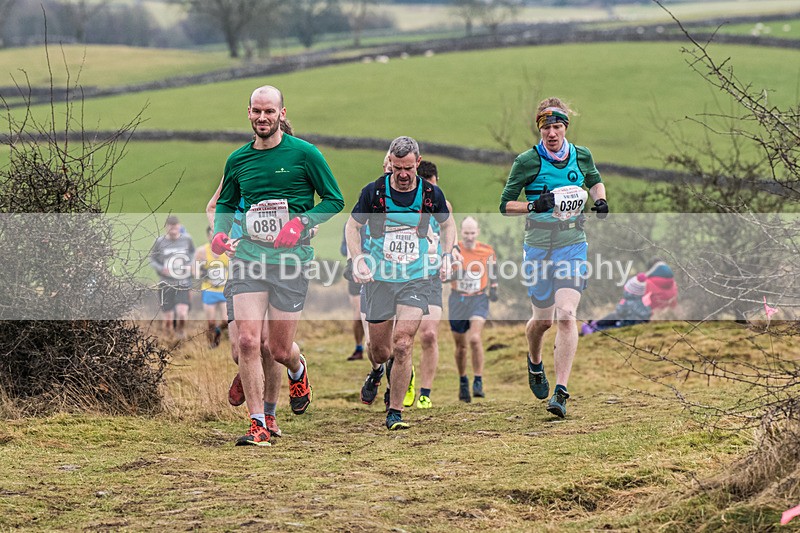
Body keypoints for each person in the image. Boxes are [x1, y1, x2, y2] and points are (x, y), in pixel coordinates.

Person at [212, 85, 344, 446]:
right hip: (249, 258)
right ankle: (258, 424)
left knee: (278, 350)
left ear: (282, 113)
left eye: (269, 111)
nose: (262, 118)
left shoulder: (305, 154)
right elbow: (225, 203)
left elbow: (334, 200)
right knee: (248, 341)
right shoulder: (238, 160)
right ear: (249, 113)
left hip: (290, 262)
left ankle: (298, 370)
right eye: (256, 111)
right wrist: (221, 235)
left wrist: (301, 222)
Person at [499, 97, 608, 418]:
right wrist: (535, 205)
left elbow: (595, 181)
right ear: (540, 129)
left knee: (566, 314)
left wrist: (601, 200)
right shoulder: (526, 162)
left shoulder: (581, 155)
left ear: (565, 128)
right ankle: (534, 361)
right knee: (542, 321)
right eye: (546, 127)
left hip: (573, 244)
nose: (552, 132)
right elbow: (504, 205)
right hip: (538, 247)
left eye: (557, 126)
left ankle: (560, 391)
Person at [346, 136, 456, 430]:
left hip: (417, 278)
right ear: (390, 165)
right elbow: (353, 226)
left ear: (418, 163)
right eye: (397, 168)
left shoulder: (431, 193)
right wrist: (358, 258)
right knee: (380, 350)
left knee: (404, 343)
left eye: (409, 168)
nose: (404, 174)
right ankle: (376, 370)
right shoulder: (374, 192)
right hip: (380, 279)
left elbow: (447, 223)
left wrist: (447, 255)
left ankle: (395, 412)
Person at [206, 118, 297, 441]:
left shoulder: (291, 174)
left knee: (269, 347)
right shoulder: (242, 165)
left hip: (282, 265)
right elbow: (215, 205)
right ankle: (251, 378)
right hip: (243, 262)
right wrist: (223, 236)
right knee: (241, 348)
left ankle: (266, 417)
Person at [406, 159, 452, 409]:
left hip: (433, 276)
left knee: (430, 334)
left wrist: (449, 257)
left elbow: (448, 233)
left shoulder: (443, 205)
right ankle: (406, 376)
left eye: (435, 186)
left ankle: (426, 391)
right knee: (405, 336)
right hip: (407, 275)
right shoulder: (408, 205)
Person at [448, 216, 498, 403]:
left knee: (475, 339)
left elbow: (493, 271)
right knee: (461, 346)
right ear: (462, 233)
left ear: (477, 232)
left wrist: (494, 288)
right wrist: (455, 273)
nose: (469, 236)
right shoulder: (455, 251)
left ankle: (478, 380)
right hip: (457, 300)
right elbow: (442, 276)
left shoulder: (486, 251)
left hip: (478, 298)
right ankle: (463, 380)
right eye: (466, 233)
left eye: (472, 233)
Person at [149, 215, 195, 340]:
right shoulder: (159, 242)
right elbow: (152, 259)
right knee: (168, 320)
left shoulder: (187, 239)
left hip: (183, 282)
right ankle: (168, 342)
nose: (174, 232)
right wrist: (161, 268)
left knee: (182, 313)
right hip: (166, 283)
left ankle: (180, 335)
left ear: (179, 227)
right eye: (171, 229)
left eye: (176, 228)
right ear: (166, 228)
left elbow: (193, 253)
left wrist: (190, 264)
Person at [581, 272, 651, 334]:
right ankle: (596, 324)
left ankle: (595, 329)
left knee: (612, 323)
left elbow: (619, 313)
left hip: (625, 324)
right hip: (633, 323)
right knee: (613, 317)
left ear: (630, 291)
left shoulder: (628, 303)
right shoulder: (642, 301)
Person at [195, 226, 230, 348]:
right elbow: (195, 271)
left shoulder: (227, 251)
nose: (214, 236)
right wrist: (204, 273)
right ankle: (212, 343)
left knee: (226, 321)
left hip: (224, 290)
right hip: (209, 289)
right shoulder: (202, 251)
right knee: (211, 322)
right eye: (212, 234)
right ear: (208, 236)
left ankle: (219, 332)